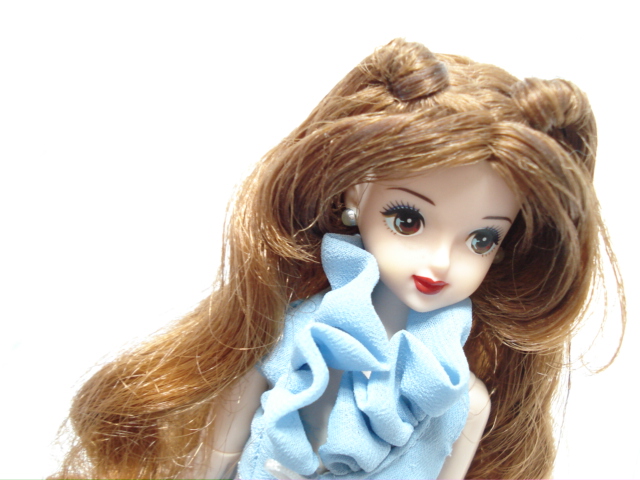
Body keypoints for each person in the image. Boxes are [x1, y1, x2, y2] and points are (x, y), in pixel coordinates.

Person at [54, 39, 624, 479]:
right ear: (357, 193)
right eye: (408, 220)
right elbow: (216, 461)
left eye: (481, 240)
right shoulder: (285, 342)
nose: (439, 263)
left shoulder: (461, 400)